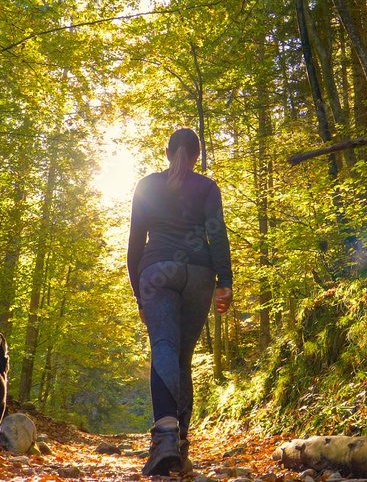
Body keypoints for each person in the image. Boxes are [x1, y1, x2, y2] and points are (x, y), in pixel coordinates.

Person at [127, 128, 234, 476]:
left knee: (163, 347)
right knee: (182, 358)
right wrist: (225, 283)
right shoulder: (207, 187)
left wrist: (139, 296)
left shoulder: (147, 185)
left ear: (168, 151)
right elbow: (216, 233)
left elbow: (134, 248)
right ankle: (180, 443)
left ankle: (166, 438)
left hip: (157, 270)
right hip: (199, 275)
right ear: (196, 156)